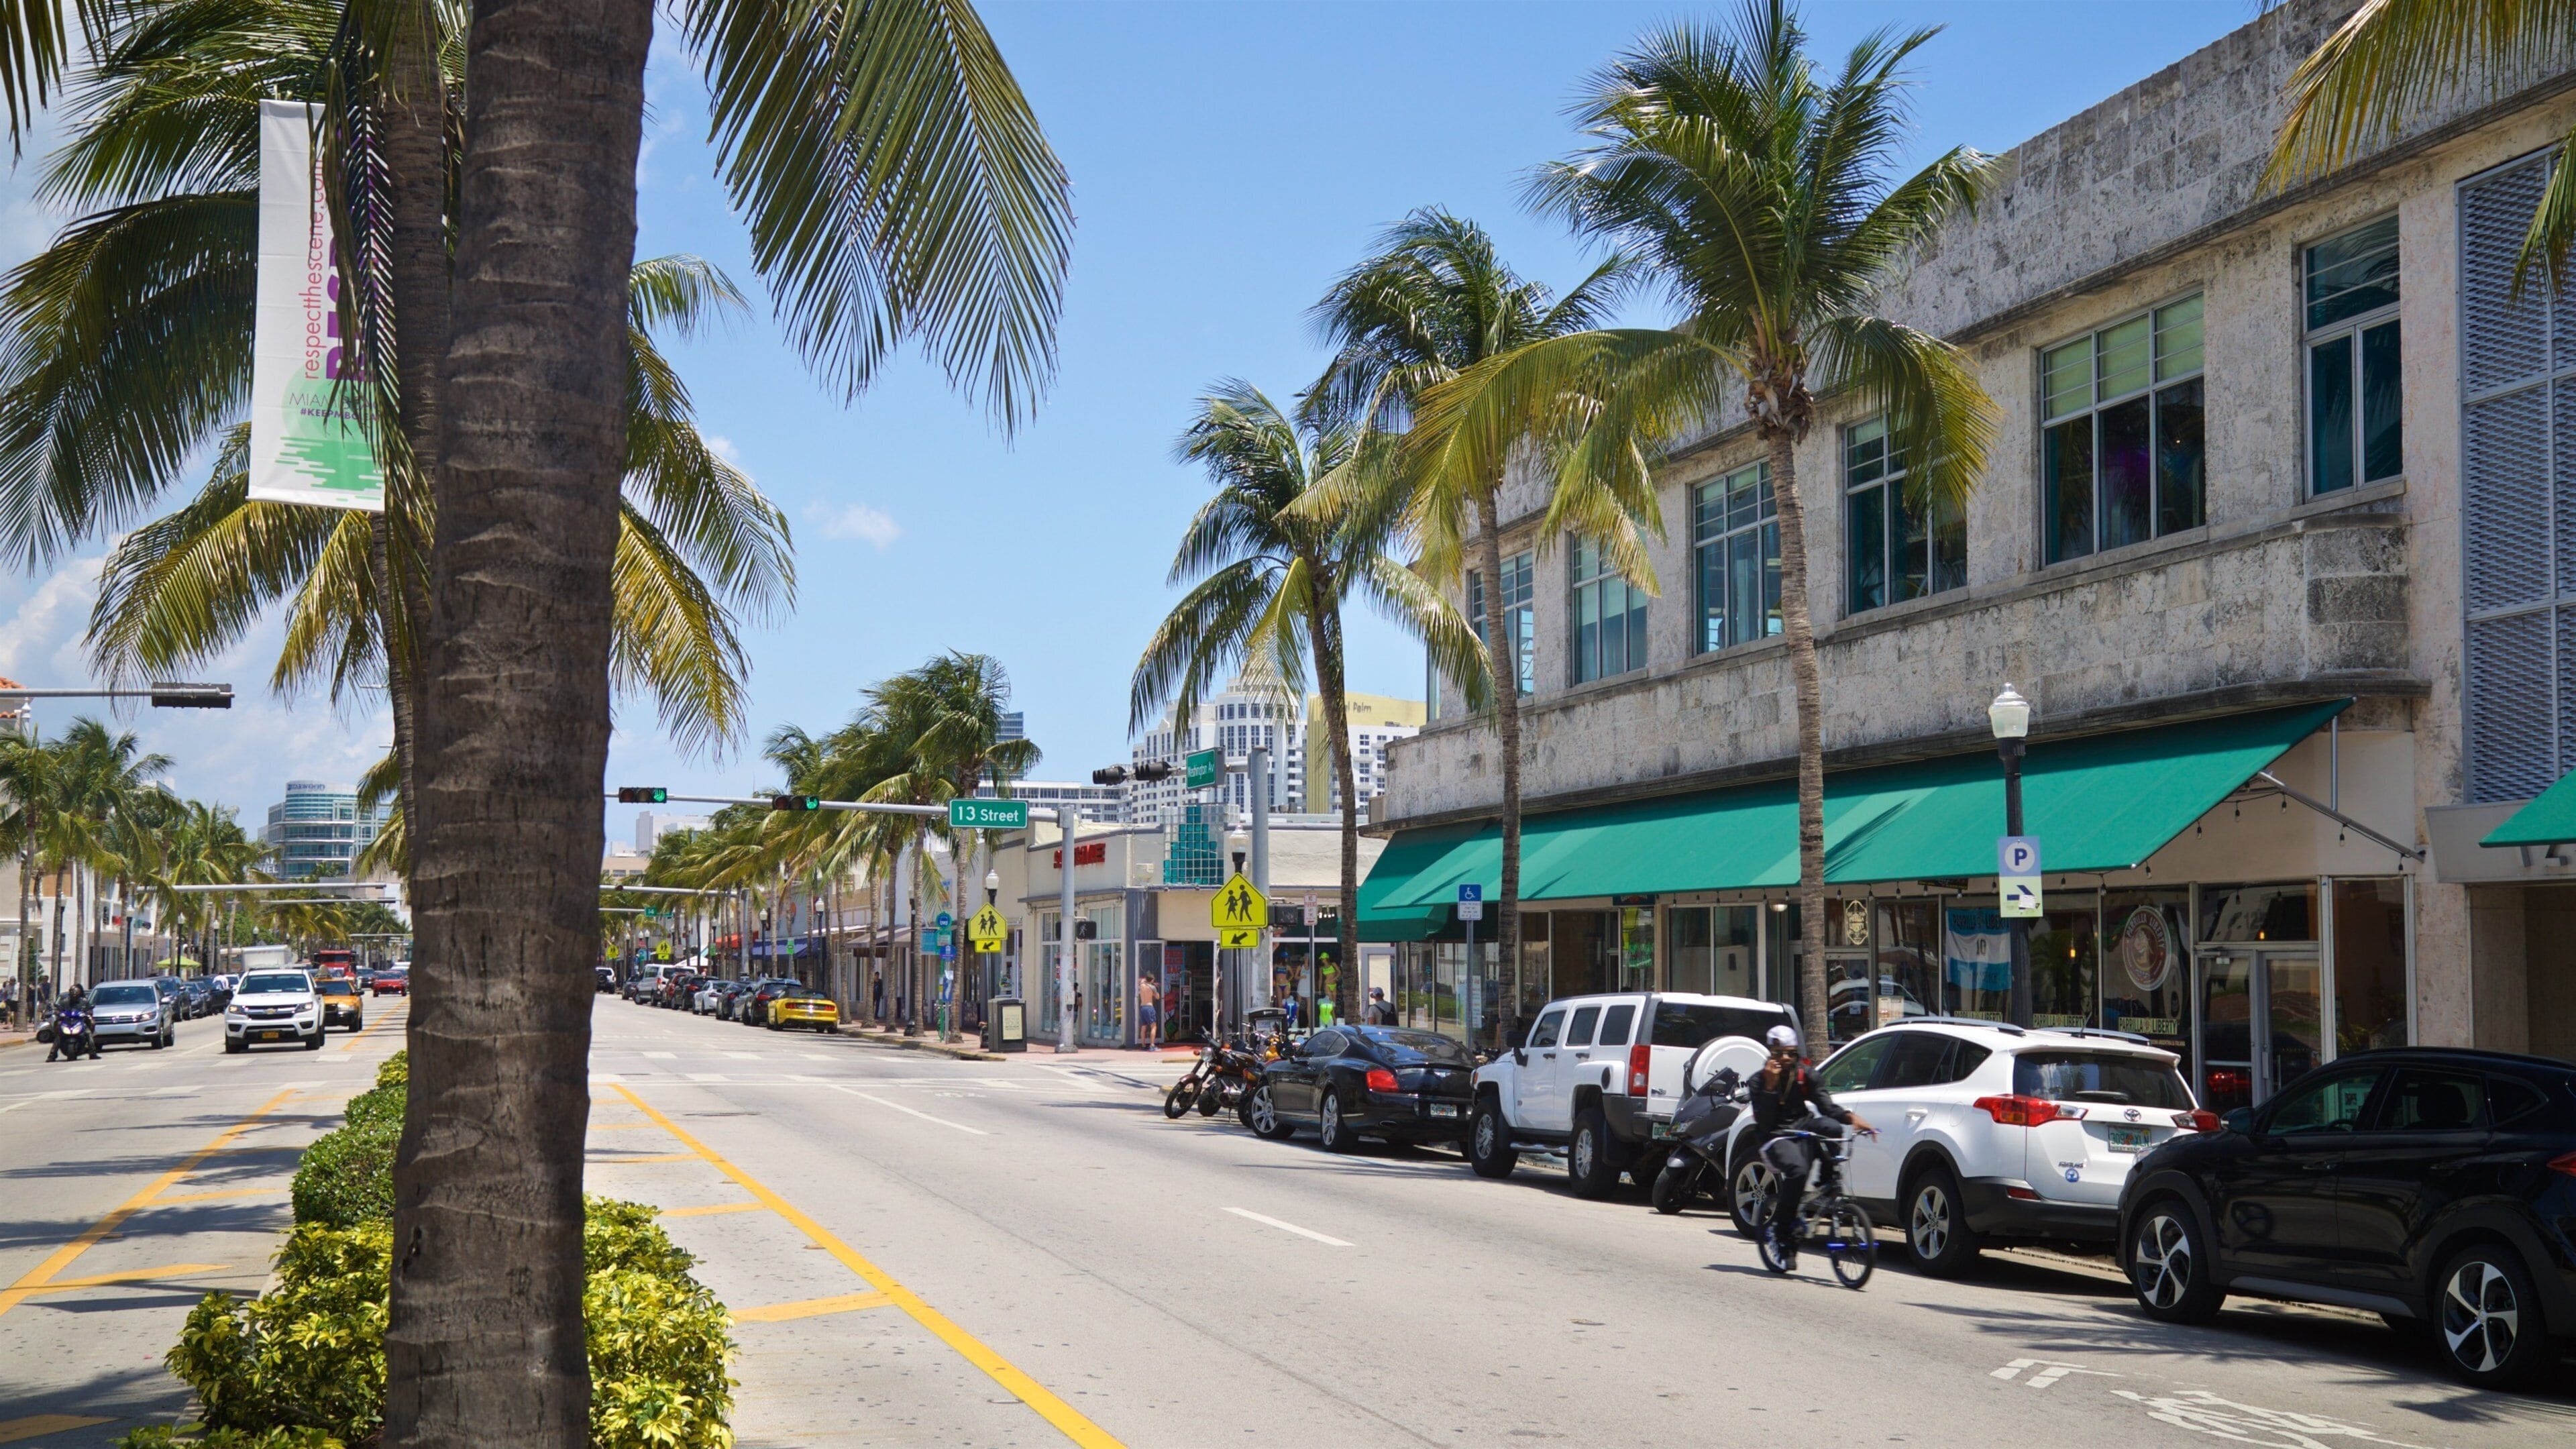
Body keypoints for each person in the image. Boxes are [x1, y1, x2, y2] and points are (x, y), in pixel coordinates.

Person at [1746, 1024, 1872, 1267]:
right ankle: (1782, 1236)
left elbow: (1827, 1107)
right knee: (1798, 1172)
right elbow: (1765, 1121)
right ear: (1770, 1053)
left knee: (1832, 1128)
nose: (1785, 1059)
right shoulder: (1758, 1082)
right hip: (1775, 1136)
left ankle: (1827, 1182)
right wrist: (1770, 1087)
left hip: (1803, 1127)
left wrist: (1851, 1119)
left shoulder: (1806, 1076)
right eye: (1779, 1053)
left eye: (1791, 1054)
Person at [1136, 971, 1160, 1050]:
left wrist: (1149, 982)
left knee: (1144, 1027)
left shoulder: (1142, 985)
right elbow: (1158, 997)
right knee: (1154, 1026)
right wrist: (1155, 990)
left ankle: (1143, 1045)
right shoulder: (1152, 988)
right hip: (1149, 1007)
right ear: (1152, 980)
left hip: (1142, 1007)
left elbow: (1142, 980)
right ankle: (1152, 1045)